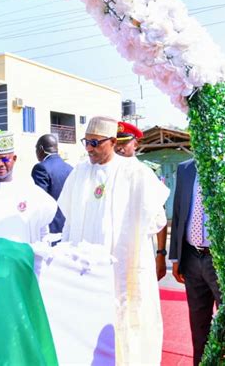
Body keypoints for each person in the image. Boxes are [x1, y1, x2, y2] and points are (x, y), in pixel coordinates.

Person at [58, 116, 169, 365]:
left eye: (95, 142)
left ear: (112, 141)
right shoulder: (79, 173)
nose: (88, 148)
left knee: (127, 329)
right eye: (86, 141)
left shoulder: (136, 173)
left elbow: (157, 220)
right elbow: (69, 220)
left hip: (123, 270)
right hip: (84, 272)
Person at [169, 159, 220, 366]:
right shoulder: (185, 168)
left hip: (220, 261)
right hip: (191, 257)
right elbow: (179, 213)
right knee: (198, 327)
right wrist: (175, 258)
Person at [115, 121, 168, 281]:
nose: (119, 148)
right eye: (116, 143)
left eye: (125, 143)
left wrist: (161, 254)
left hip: (136, 251)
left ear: (136, 144)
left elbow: (159, 217)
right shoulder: (106, 173)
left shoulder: (145, 173)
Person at [31, 134, 72, 235]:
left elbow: (40, 200)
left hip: (50, 227)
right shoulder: (70, 168)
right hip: (68, 225)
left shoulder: (41, 168)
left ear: (41, 149)